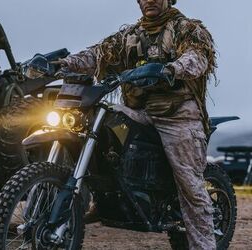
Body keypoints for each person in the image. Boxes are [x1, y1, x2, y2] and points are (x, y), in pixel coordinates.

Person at [56, 0, 217, 249]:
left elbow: (197, 57)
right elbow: (97, 54)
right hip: (138, 112)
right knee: (101, 120)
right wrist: (62, 64)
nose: (149, 0)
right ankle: (104, 195)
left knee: (191, 187)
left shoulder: (187, 28)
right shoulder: (130, 35)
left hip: (177, 116)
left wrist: (172, 68)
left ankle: (204, 244)